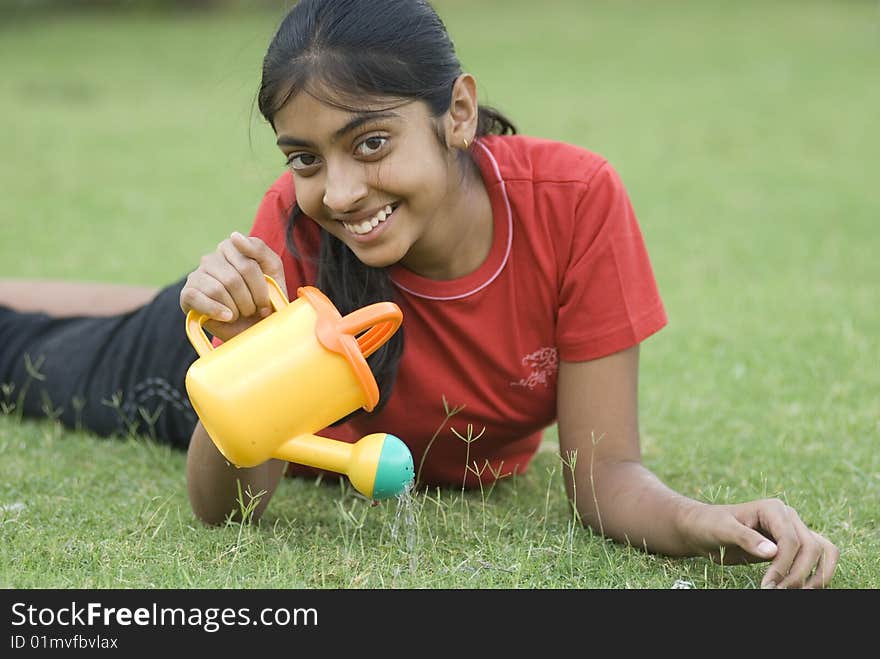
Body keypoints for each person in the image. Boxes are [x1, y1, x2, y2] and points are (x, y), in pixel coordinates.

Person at [0, 0, 838, 589]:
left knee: (118, 308)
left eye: (370, 142)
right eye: (305, 158)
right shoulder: (294, 233)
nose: (340, 191)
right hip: (191, 376)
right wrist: (242, 360)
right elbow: (232, 509)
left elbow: (603, 473)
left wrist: (705, 522)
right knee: (31, 352)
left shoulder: (575, 201)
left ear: (458, 112)